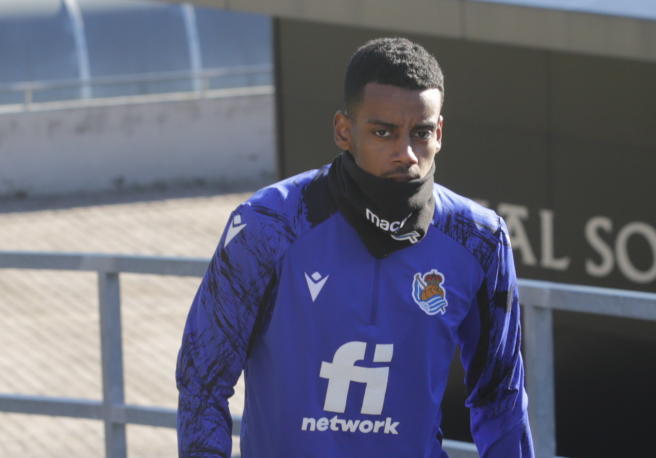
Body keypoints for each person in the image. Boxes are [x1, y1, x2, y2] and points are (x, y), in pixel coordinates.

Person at [176, 37, 534, 457]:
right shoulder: (268, 225)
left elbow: (501, 399)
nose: (406, 154)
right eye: (383, 132)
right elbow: (202, 381)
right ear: (344, 131)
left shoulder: (478, 239)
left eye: (420, 133)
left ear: (439, 133)